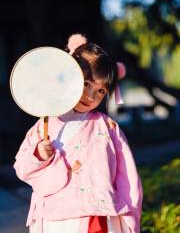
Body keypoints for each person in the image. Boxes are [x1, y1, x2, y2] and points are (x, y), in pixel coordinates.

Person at [14, 34, 143, 233]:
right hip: (55, 219)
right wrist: (39, 154)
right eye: (86, 84)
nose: (91, 97)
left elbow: (128, 179)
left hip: (97, 215)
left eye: (101, 91)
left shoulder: (107, 127)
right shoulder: (44, 124)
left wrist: (130, 218)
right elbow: (22, 167)